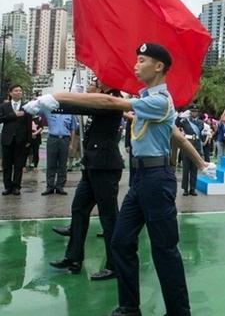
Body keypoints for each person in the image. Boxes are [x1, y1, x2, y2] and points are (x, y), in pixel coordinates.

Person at [26, 43, 212, 316]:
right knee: (121, 241)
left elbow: (111, 101)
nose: (135, 65)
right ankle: (129, 307)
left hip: (156, 179)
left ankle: (179, 311)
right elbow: (177, 135)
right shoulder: (150, 101)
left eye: (141, 60)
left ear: (158, 66)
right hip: (140, 178)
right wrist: (201, 162)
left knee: (164, 250)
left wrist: (57, 97)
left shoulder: (160, 100)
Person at [47, 79, 125, 281]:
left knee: (108, 217)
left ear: (103, 86)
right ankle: (73, 258)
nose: (91, 83)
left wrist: (56, 102)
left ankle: (114, 264)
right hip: (92, 163)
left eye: (94, 81)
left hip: (105, 166)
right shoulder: (101, 99)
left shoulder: (112, 100)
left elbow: (84, 106)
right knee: (79, 210)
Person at [0, 84, 32, 196]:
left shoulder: (26, 106)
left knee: (19, 165)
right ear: (10, 93)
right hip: (7, 139)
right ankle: (7, 187)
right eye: (16, 90)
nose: (18, 92)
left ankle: (16, 187)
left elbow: (29, 124)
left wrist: (29, 140)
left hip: (21, 140)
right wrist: (14, 115)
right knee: (7, 164)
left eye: (20, 91)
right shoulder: (4, 106)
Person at [41, 108, 77, 195]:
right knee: (51, 164)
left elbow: (73, 129)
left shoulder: (70, 114)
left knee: (62, 164)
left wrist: (71, 144)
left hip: (64, 140)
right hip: (52, 139)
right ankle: (50, 187)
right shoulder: (50, 112)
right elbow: (40, 109)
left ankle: (60, 186)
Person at [178, 104, 204, 196]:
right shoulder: (184, 121)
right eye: (192, 111)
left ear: (198, 113)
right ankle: (185, 189)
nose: (194, 113)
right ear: (190, 112)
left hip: (196, 146)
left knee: (194, 169)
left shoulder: (201, 122)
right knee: (186, 168)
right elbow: (176, 124)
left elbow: (199, 131)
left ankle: (192, 188)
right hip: (187, 145)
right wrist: (180, 116)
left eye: (195, 111)